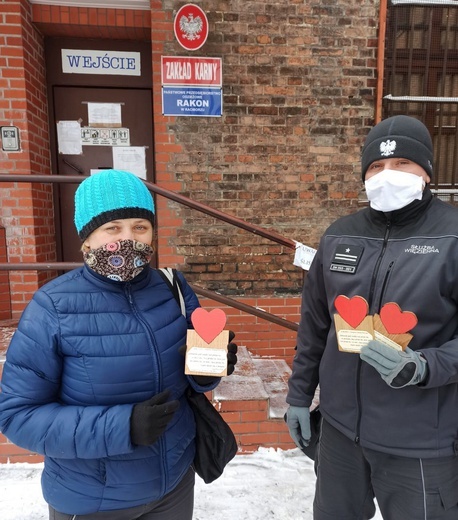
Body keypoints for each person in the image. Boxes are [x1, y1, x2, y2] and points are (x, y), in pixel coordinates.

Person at [0, 169, 237, 520]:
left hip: (173, 485)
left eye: (140, 227)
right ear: (87, 239)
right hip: (94, 500)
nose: (128, 239)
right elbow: (18, 416)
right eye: (113, 228)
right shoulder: (53, 306)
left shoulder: (171, 288)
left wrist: (209, 368)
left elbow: (194, 380)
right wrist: (122, 427)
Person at [286, 115, 458, 519]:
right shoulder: (339, 235)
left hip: (420, 443)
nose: (387, 175)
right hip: (341, 434)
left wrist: (423, 366)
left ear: (427, 173)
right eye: (376, 166)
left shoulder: (452, 237)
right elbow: (314, 327)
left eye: (402, 164)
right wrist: (298, 395)